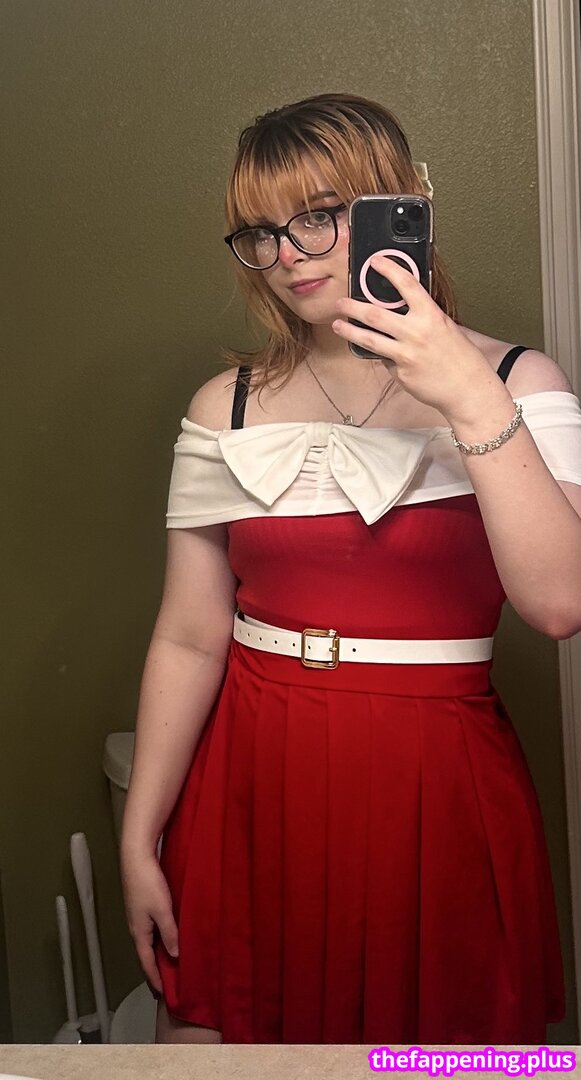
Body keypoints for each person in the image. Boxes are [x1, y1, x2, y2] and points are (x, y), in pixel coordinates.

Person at [120, 92, 581, 1046]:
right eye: (260, 232)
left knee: (437, 1051)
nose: (287, 254)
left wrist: (465, 395)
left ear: (395, 203)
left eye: (318, 216)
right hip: (250, 782)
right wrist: (140, 836)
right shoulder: (224, 407)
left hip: (433, 787)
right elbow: (190, 635)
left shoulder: (516, 383)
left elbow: (558, 603)